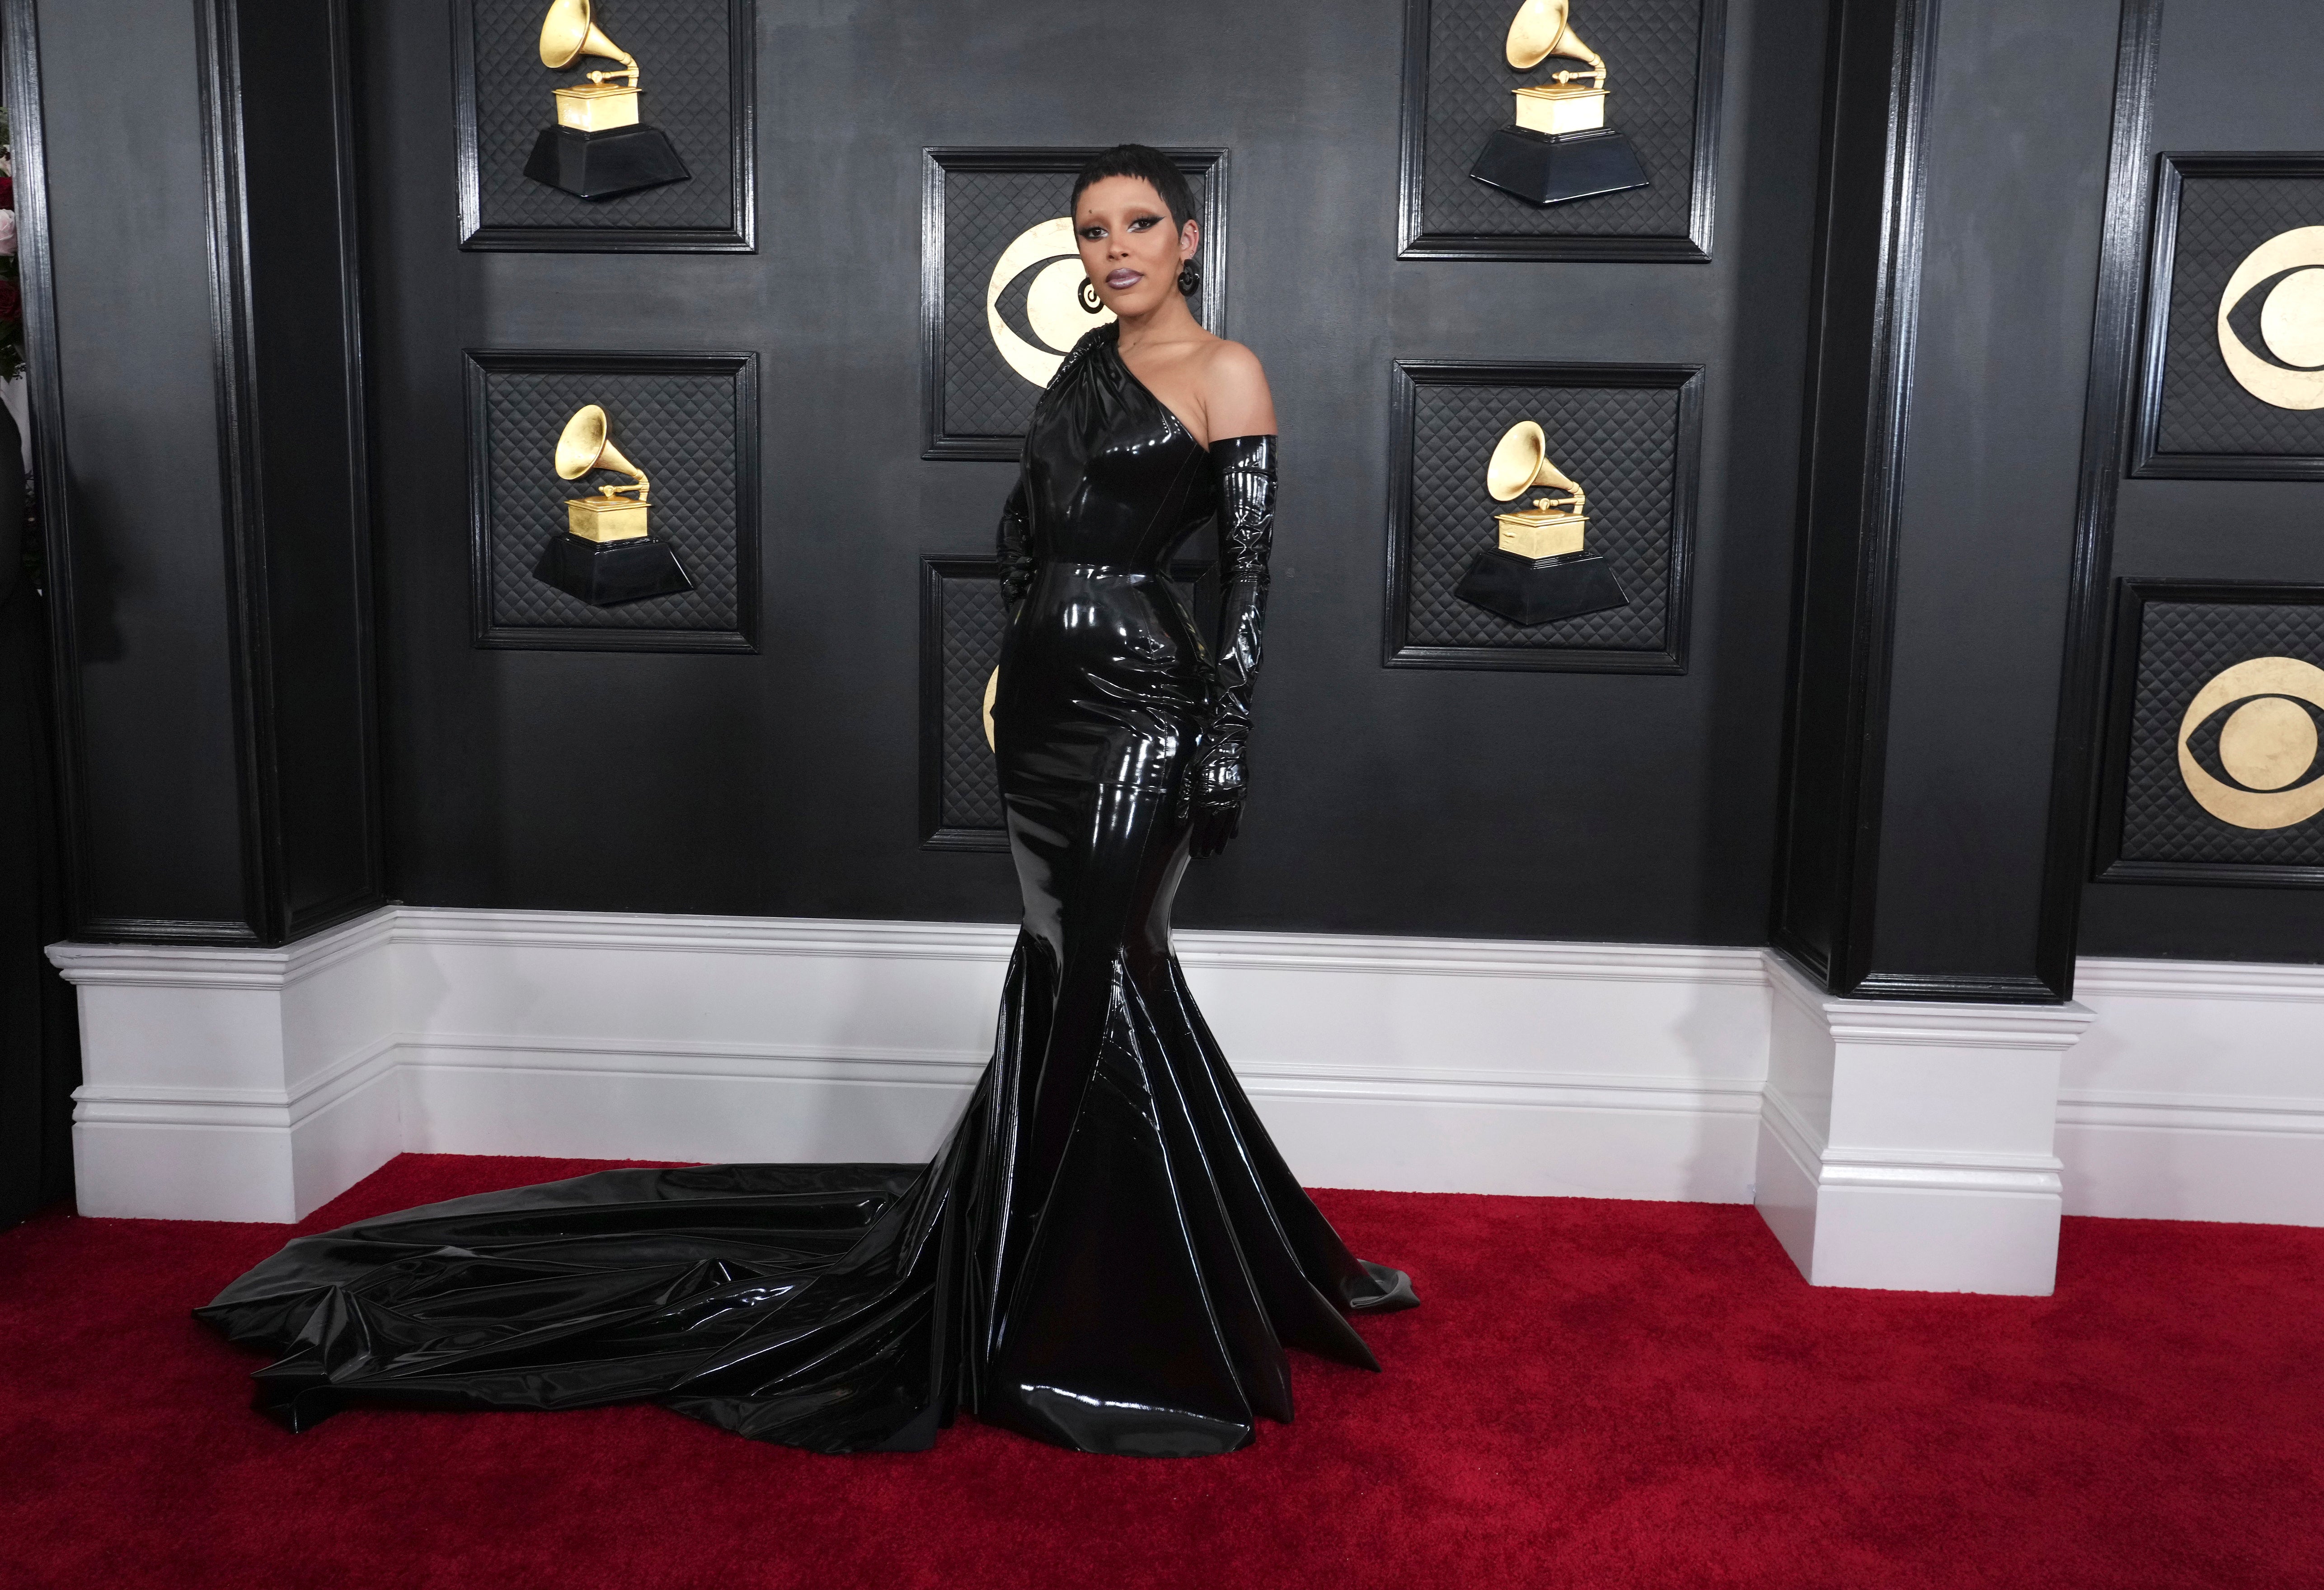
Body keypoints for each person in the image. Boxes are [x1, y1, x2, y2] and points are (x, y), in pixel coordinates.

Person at [197, 145, 1416, 1459]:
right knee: (1086, 973)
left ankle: (1106, 1302)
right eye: (1090, 231)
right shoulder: (1080, 367)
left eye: (1136, 226)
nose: (1112, 250)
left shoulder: (1227, 374)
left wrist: (1224, 739)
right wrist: (1017, 662)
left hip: (1150, 705)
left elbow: (1248, 579)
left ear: (1187, 239)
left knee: (1107, 973)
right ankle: (1137, 1255)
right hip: (1050, 713)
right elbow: (1022, 537)